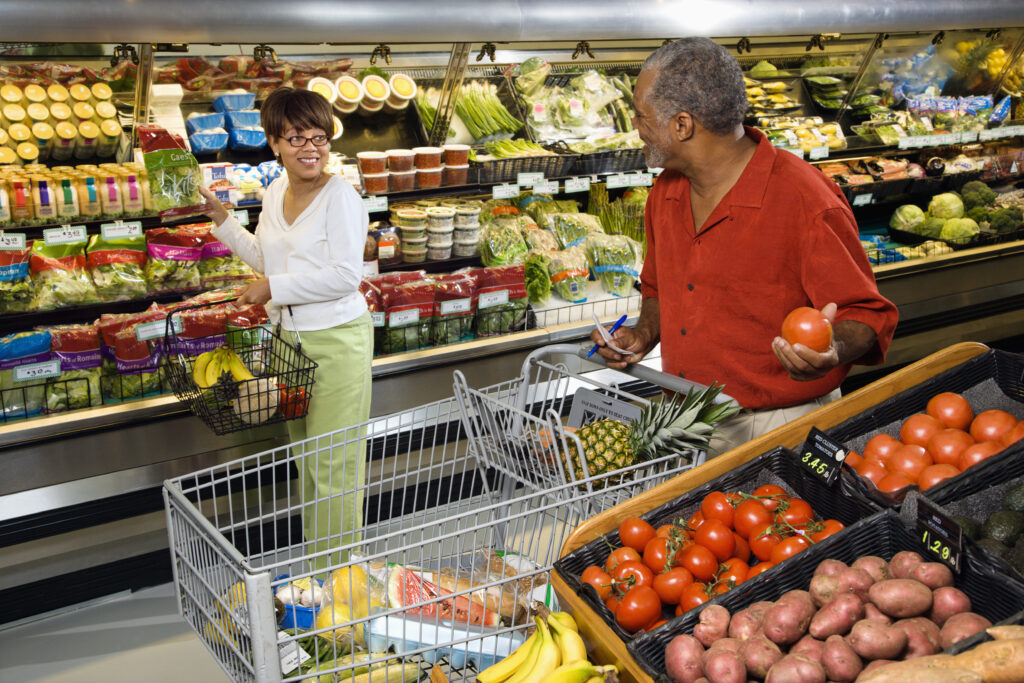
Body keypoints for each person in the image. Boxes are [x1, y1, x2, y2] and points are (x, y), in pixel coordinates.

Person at [591, 38, 898, 452]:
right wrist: (644, 333)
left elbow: (866, 314)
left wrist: (832, 350)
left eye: (641, 117)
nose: (635, 127)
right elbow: (660, 286)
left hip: (778, 426)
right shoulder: (665, 192)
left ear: (682, 125)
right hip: (686, 419)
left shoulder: (805, 199)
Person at [198, 87, 371, 565]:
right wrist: (224, 223)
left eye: (319, 137)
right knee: (308, 461)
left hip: (336, 340)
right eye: (296, 137)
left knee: (335, 463)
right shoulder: (274, 192)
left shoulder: (342, 198)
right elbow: (265, 257)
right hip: (287, 342)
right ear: (274, 142)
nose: (310, 148)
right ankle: (322, 572)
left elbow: (344, 277)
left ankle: (337, 582)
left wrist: (273, 287)